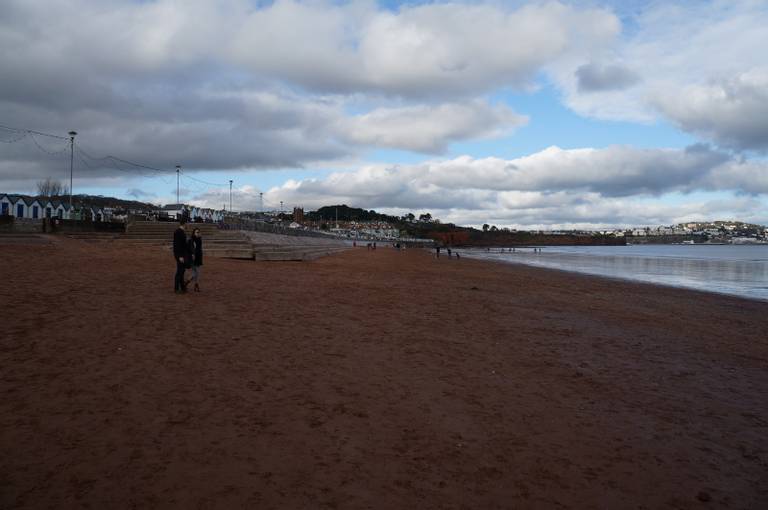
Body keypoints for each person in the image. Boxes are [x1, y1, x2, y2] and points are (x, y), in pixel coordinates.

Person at [173, 219, 189, 293]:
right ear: (184, 223)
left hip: (182, 254)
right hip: (180, 255)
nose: (188, 225)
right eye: (187, 223)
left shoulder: (181, 232)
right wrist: (180, 256)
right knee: (179, 272)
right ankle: (176, 288)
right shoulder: (178, 232)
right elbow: (177, 245)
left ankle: (182, 287)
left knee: (182, 271)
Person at [188, 228, 203, 292]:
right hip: (194, 257)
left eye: (198, 232)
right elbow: (191, 248)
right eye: (196, 232)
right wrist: (192, 254)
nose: (198, 233)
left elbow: (199, 248)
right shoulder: (192, 239)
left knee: (196, 272)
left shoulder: (199, 239)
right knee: (196, 273)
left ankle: (195, 285)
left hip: (199, 257)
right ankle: (187, 282)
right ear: (194, 233)